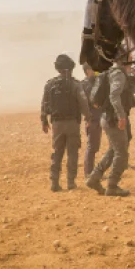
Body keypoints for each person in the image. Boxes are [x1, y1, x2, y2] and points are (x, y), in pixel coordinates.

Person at [84, 51, 132, 197]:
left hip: (108, 117)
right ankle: (112, 185)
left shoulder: (111, 72)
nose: (132, 62)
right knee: (122, 153)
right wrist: (121, 116)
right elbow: (114, 95)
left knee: (114, 150)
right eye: (129, 60)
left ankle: (94, 177)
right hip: (113, 119)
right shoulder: (118, 74)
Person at [41, 54, 89, 192]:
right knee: (72, 153)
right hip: (73, 123)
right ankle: (70, 183)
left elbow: (44, 103)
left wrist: (44, 121)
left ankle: (54, 182)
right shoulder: (76, 84)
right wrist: (88, 118)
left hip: (56, 124)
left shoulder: (50, 84)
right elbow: (83, 103)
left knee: (57, 152)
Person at [82, 68, 104, 175]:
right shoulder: (86, 84)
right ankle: (89, 173)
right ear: (87, 70)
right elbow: (91, 101)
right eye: (92, 69)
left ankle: (90, 171)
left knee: (94, 146)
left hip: (97, 118)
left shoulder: (94, 82)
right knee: (91, 147)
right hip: (92, 119)